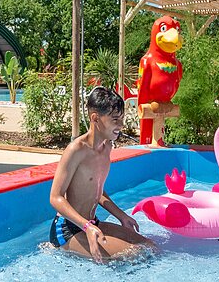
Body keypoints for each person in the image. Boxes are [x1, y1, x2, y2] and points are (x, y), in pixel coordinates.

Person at [47, 86, 155, 263]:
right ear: (95, 118)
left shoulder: (107, 147)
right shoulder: (76, 150)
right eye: (115, 120)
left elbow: (96, 190)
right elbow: (55, 197)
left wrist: (121, 215)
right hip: (68, 229)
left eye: (121, 119)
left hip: (92, 224)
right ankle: (57, 247)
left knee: (150, 246)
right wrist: (86, 226)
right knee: (133, 256)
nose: (120, 126)